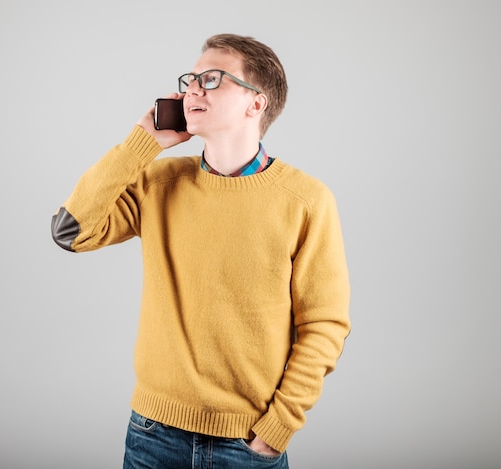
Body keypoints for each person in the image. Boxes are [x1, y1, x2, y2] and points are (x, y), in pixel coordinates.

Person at [51, 33, 351, 469]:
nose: (193, 88)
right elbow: (71, 231)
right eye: (190, 79)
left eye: (212, 79)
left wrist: (276, 430)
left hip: (247, 444)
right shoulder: (159, 183)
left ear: (256, 103)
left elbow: (324, 325)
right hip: (153, 433)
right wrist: (142, 143)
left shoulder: (305, 200)